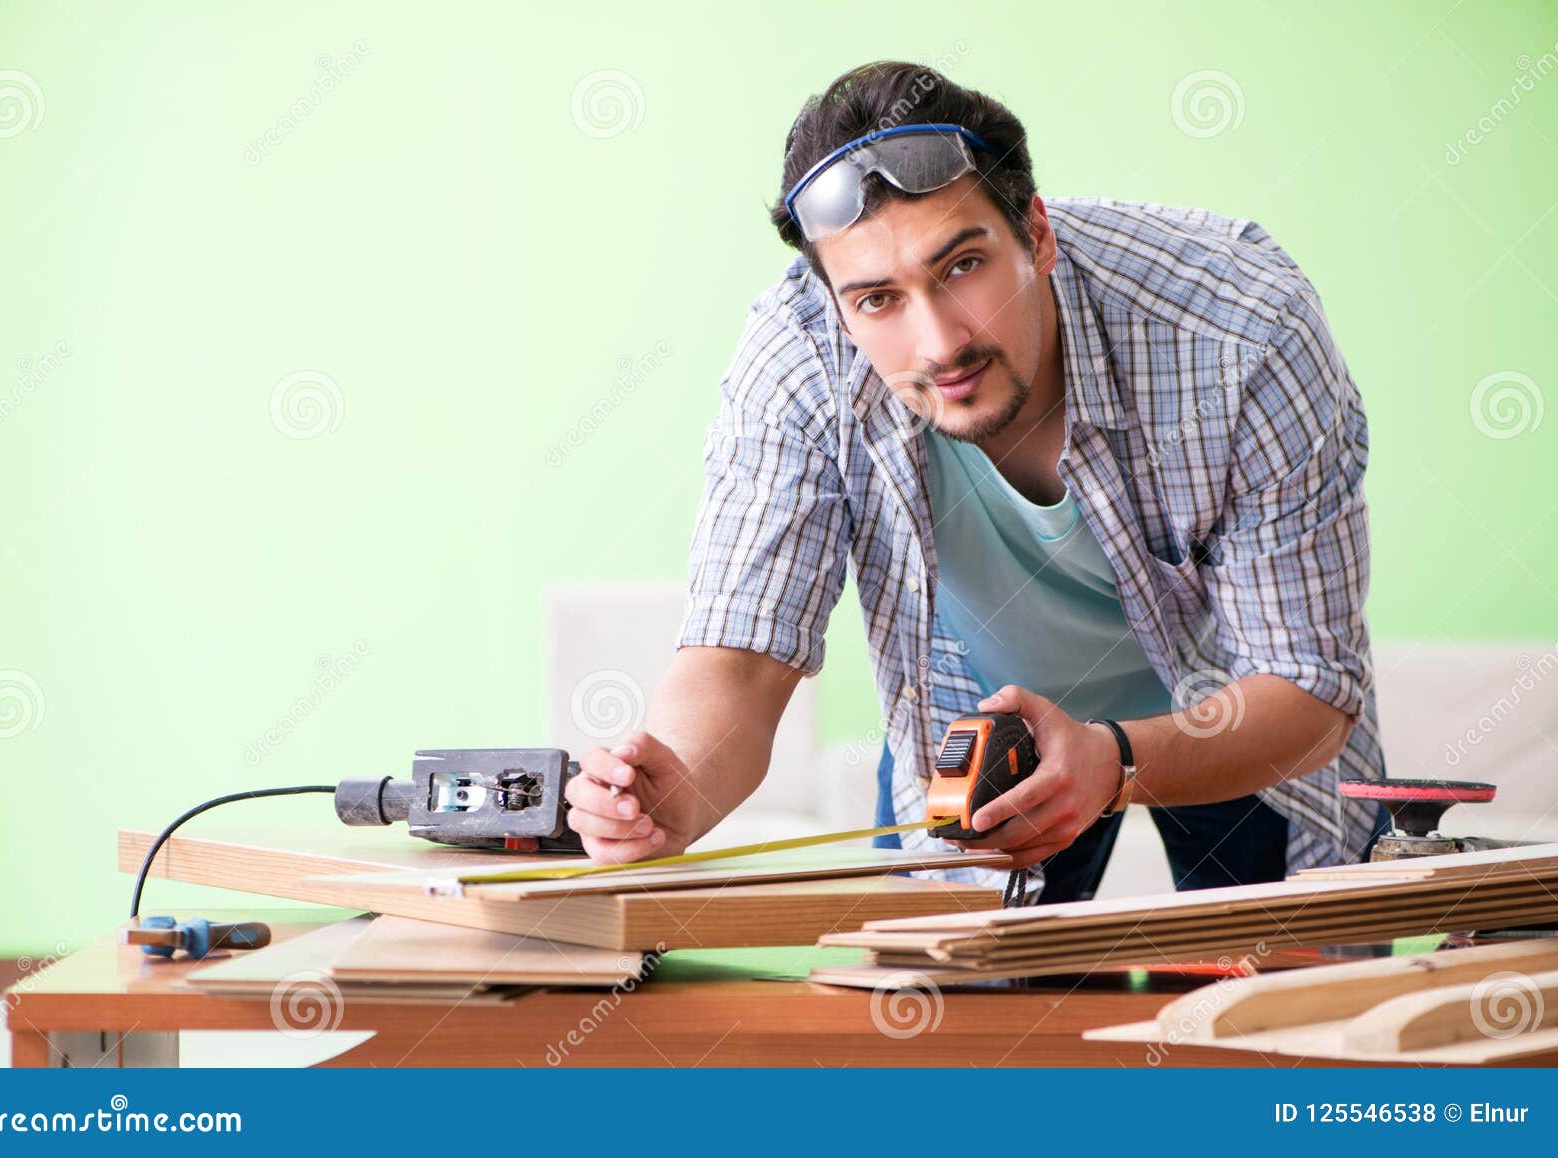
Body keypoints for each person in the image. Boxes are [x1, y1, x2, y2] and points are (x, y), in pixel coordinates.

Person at [563, 60, 1388, 901]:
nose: (939, 345)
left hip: (1237, 714)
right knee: (955, 1010)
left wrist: (1111, 761)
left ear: (1035, 232)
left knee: (1286, 1015)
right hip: (977, 722)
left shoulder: (1240, 328)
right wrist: (670, 796)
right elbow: (739, 663)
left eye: (961, 267)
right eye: (879, 300)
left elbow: (1308, 686)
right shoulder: (800, 361)